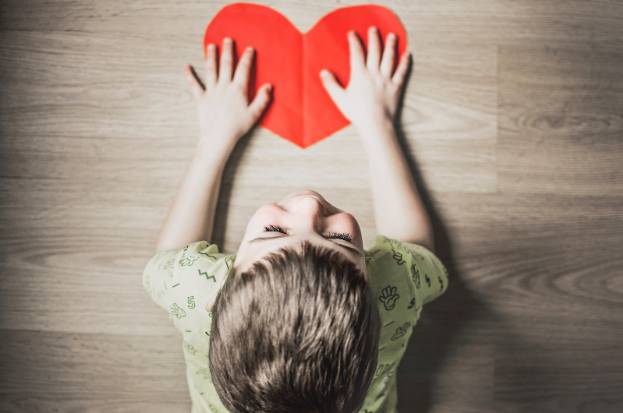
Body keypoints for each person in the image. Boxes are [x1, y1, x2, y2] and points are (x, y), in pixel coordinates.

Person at [142, 25, 449, 413]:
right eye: (339, 241)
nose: (308, 205)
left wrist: (214, 138)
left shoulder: (194, 291)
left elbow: (170, 256)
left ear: (220, 291)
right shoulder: (392, 293)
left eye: (274, 232)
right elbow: (416, 249)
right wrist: (378, 123)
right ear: (373, 285)